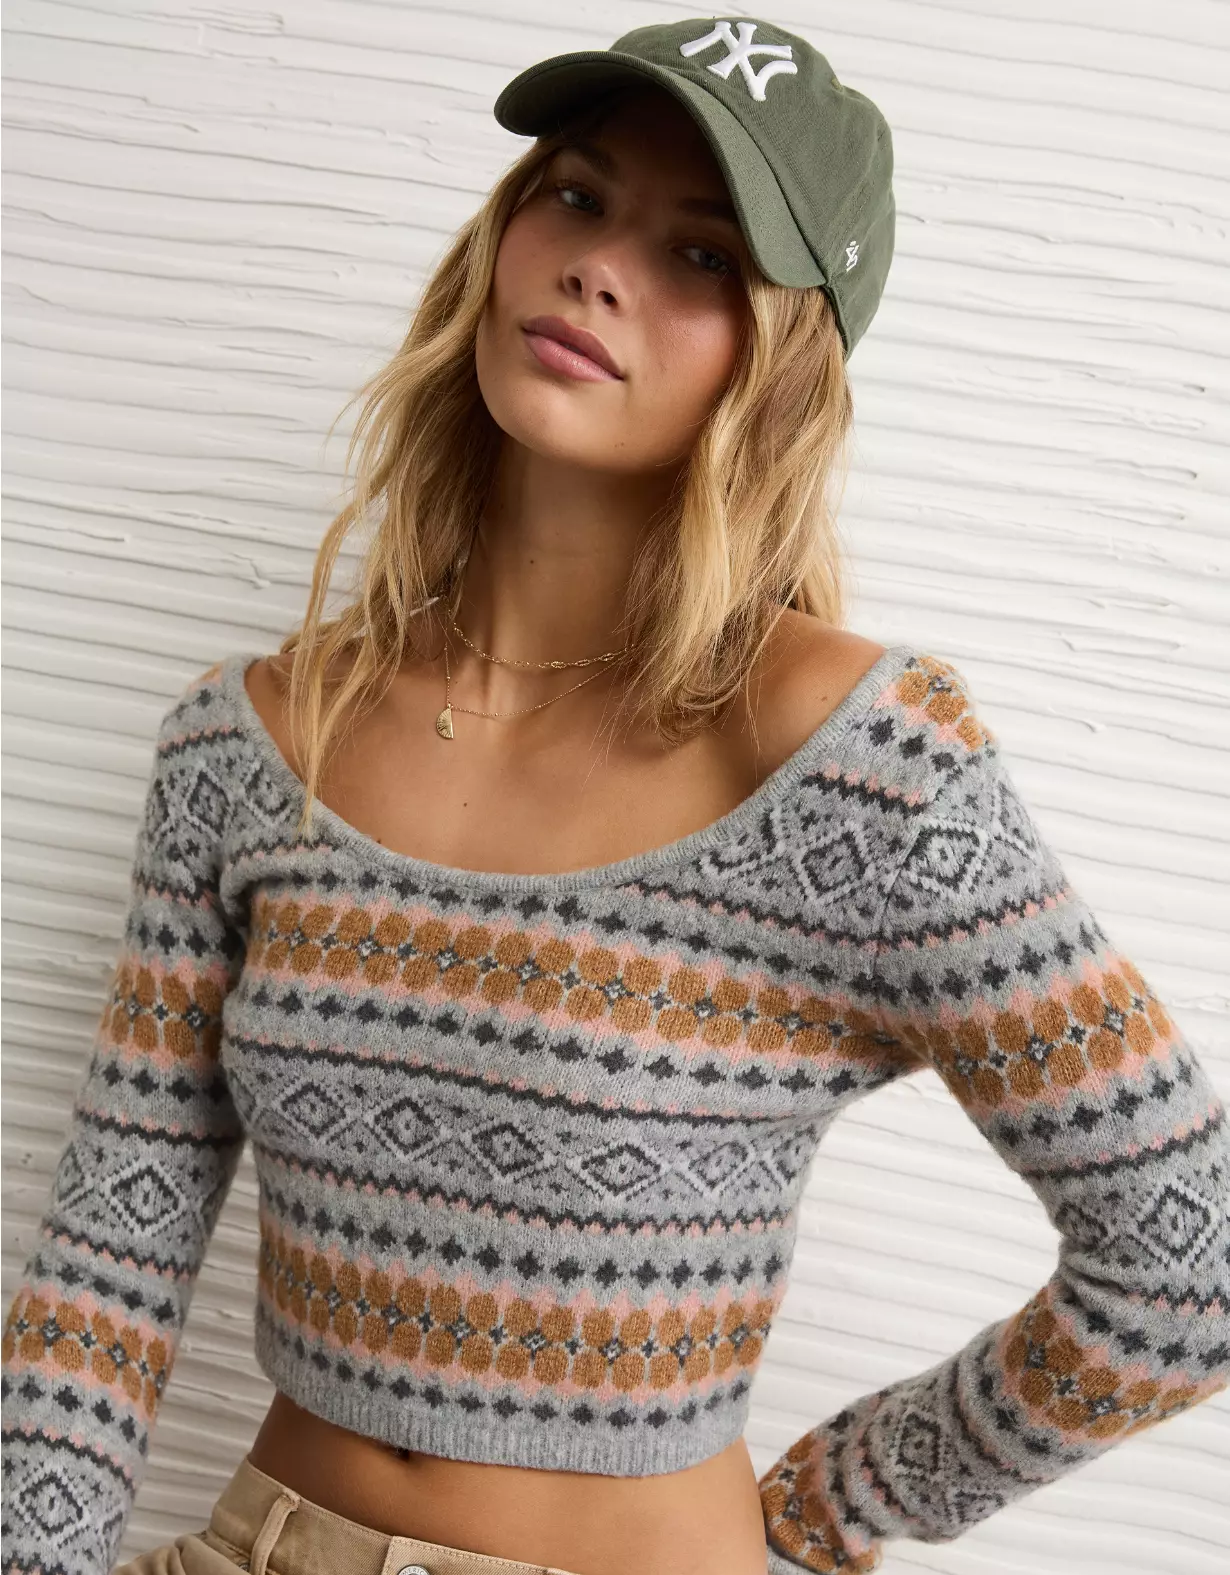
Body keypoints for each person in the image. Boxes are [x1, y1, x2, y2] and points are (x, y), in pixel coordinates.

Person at [2, 15, 1227, 1575]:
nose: (597, 268)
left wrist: (835, 1501)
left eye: (700, 254)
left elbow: (1187, 1255)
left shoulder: (861, 767)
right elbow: (108, 1264)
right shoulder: (243, 744)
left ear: (781, 357)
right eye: (575, 197)